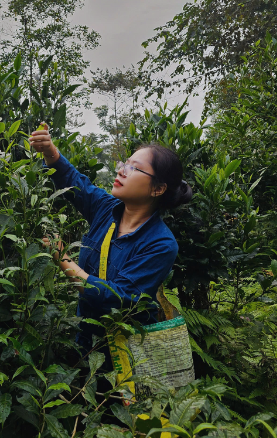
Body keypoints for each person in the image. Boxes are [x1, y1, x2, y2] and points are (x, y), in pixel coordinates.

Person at [28, 122, 192, 363]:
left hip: (127, 352)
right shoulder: (106, 209)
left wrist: (62, 258)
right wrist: (50, 150)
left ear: (158, 189)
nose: (121, 171)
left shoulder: (161, 244)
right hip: (85, 340)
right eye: (123, 164)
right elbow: (74, 182)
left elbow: (116, 298)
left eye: (133, 168)